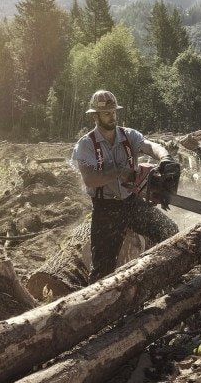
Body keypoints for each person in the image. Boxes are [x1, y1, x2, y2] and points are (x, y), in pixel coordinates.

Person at [70, 90, 179, 283]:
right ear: (95, 116)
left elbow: (150, 146)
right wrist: (119, 172)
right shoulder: (86, 145)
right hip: (106, 209)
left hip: (132, 201)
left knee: (169, 231)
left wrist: (165, 158)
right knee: (102, 268)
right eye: (107, 113)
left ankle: (167, 280)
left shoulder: (128, 135)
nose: (112, 116)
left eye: (113, 112)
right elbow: (90, 179)